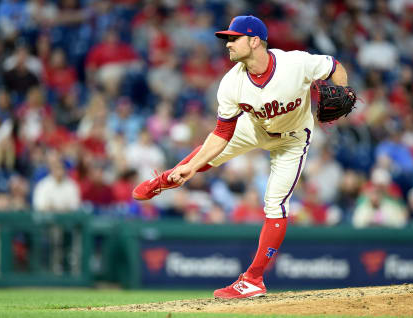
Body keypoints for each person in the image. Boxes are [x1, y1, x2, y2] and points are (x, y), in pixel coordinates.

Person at [132, 15, 353, 299]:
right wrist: (193, 167)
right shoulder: (231, 83)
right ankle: (166, 179)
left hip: (293, 140)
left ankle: (253, 280)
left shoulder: (295, 63)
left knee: (275, 205)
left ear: (254, 41)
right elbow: (221, 133)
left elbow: (335, 66)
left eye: (234, 38)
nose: (228, 44)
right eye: (227, 39)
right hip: (254, 128)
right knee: (202, 157)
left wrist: (344, 90)